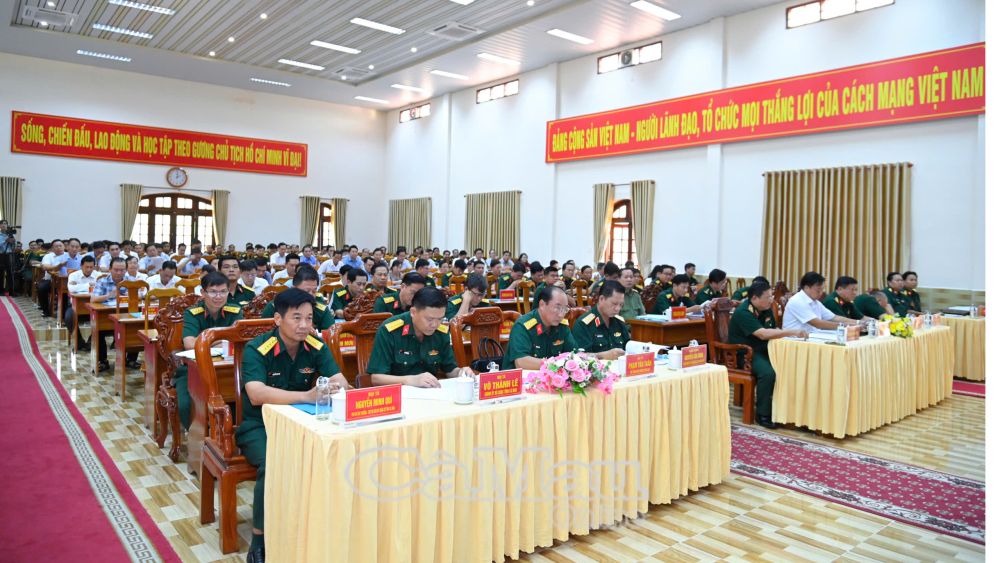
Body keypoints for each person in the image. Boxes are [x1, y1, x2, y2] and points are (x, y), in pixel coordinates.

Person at [238, 288, 351, 563]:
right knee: (273, 463)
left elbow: (342, 382)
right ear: (278, 319)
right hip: (260, 425)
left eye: (309, 318)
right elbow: (256, 393)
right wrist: (306, 396)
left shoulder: (315, 346)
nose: (304, 325)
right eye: (296, 318)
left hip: (305, 422)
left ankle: (321, 525)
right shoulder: (257, 348)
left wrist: (335, 388)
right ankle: (259, 539)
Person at [728, 281, 808, 428]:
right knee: (768, 373)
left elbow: (774, 329)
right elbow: (763, 334)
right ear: (754, 298)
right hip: (745, 354)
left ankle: (785, 410)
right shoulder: (744, 312)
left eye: (772, 296)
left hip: (765, 349)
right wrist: (792, 332)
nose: (772, 299)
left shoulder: (765, 308)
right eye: (768, 297)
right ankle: (763, 414)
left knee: (789, 365)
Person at [172, 271, 244, 431]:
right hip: (193, 369)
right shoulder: (192, 313)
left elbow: (238, 341)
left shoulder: (235, 311)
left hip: (227, 368)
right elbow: (190, 344)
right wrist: (221, 341)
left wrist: (206, 341)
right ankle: (197, 436)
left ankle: (225, 434)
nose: (218, 296)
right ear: (203, 292)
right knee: (186, 404)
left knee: (239, 399)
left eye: (223, 291)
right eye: (213, 292)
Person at [368, 287, 474, 387]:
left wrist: (461, 372)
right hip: (399, 393)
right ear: (413, 312)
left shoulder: (441, 331)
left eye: (440, 319)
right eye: (429, 319)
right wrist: (409, 380)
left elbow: (450, 369)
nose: (435, 325)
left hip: (431, 391)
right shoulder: (390, 330)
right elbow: (376, 378)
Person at [503, 286, 576, 369]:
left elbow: (574, 354)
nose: (561, 314)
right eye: (557, 308)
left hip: (550, 375)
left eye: (565, 309)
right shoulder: (523, 325)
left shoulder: (562, 326)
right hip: (520, 376)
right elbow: (521, 362)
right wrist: (554, 364)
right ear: (542, 304)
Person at [90, 258, 137, 371]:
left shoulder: (131, 281)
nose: (119, 273)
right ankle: (103, 361)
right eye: (116, 270)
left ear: (126, 270)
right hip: (107, 317)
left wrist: (131, 295)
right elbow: (93, 299)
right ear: (110, 269)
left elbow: (141, 296)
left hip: (126, 316)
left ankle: (130, 360)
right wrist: (108, 296)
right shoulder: (102, 281)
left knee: (136, 328)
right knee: (98, 332)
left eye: (122, 270)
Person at [783, 272, 863, 332]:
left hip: (811, 336)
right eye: (818, 290)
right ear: (806, 288)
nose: (821, 293)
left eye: (822, 290)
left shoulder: (815, 302)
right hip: (794, 340)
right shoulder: (797, 301)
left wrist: (858, 322)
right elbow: (817, 323)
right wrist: (847, 325)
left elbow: (834, 317)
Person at [261, 266, 334, 331]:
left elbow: (331, 335)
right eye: (306, 291)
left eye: (314, 291)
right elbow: (264, 335)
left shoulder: (321, 310)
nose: (311, 296)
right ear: (293, 289)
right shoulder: (274, 307)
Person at [571, 280, 630, 358]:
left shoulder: (619, 322)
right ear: (601, 299)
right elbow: (578, 356)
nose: (618, 309)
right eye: (614, 304)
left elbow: (628, 348)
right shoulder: (584, 324)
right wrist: (603, 355)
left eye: (621, 305)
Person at [65, 256, 100, 350]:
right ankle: (79, 342)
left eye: (91, 267)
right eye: (86, 267)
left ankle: (91, 341)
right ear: (81, 266)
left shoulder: (98, 275)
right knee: (69, 318)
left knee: (104, 317)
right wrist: (89, 285)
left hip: (95, 306)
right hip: (75, 305)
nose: (89, 269)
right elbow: (72, 289)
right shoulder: (73, 275)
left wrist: (79, 286)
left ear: (94, 266)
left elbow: (102, 288)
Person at [37, 239, 68, 317]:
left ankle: (64, 312)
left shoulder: (68, 255)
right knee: (41, 288)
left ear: (64, 247)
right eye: (56, 246)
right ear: (52, 248)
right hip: (50, 280)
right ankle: (45, 310)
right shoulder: (48, 256)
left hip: (66, 280)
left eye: (60, 246)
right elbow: (45, 267)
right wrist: (58, 266)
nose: (58, 248)